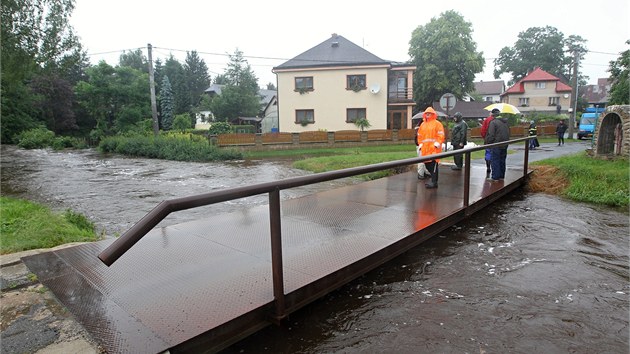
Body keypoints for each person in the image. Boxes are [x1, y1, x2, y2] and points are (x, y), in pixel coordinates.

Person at [416, 107, 445, 188]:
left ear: (433, 114)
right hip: (425, 149)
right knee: (427, 164)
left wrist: (437, 144)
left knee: (433, 165)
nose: (428, 115)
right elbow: (419, 136)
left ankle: (434, 182)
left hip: (434, 149)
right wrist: (420, 144)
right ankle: (433, 180)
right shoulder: (422, 124)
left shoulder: (437, 124)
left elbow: (441, 135)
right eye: (427, 113)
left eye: (430, 113)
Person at [485, 111, 510, 181]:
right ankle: (501, 176)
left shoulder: (493, 122)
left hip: (496, 144)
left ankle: (495, 177)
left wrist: (488, 143)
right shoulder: (505, 122)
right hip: (505, 144)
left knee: (495, 160)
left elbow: (491, 135)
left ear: (493, 115)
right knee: (502, 160)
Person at [481, 108, 500, 176]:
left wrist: (485, 137)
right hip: (498, 141)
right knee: (496, 155)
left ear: (491, 113)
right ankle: (495, 169)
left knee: (488, 153)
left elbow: (483, 130)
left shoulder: (487, 120)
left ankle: (488, 167)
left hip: (488, 140)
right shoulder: (501, 120)